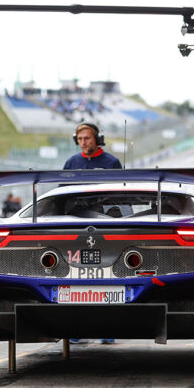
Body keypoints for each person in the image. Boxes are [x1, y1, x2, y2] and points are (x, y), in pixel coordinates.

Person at [65, 122, 121, 344]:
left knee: (107, 276)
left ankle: (107, 330)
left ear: (98, 139)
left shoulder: (111, 162)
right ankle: (76, 329)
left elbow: (121, 193)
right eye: (80, 139)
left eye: (87, 138)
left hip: (106, 227)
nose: (83, 143)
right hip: (78, 228)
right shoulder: (71, 163)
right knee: (76, 277)